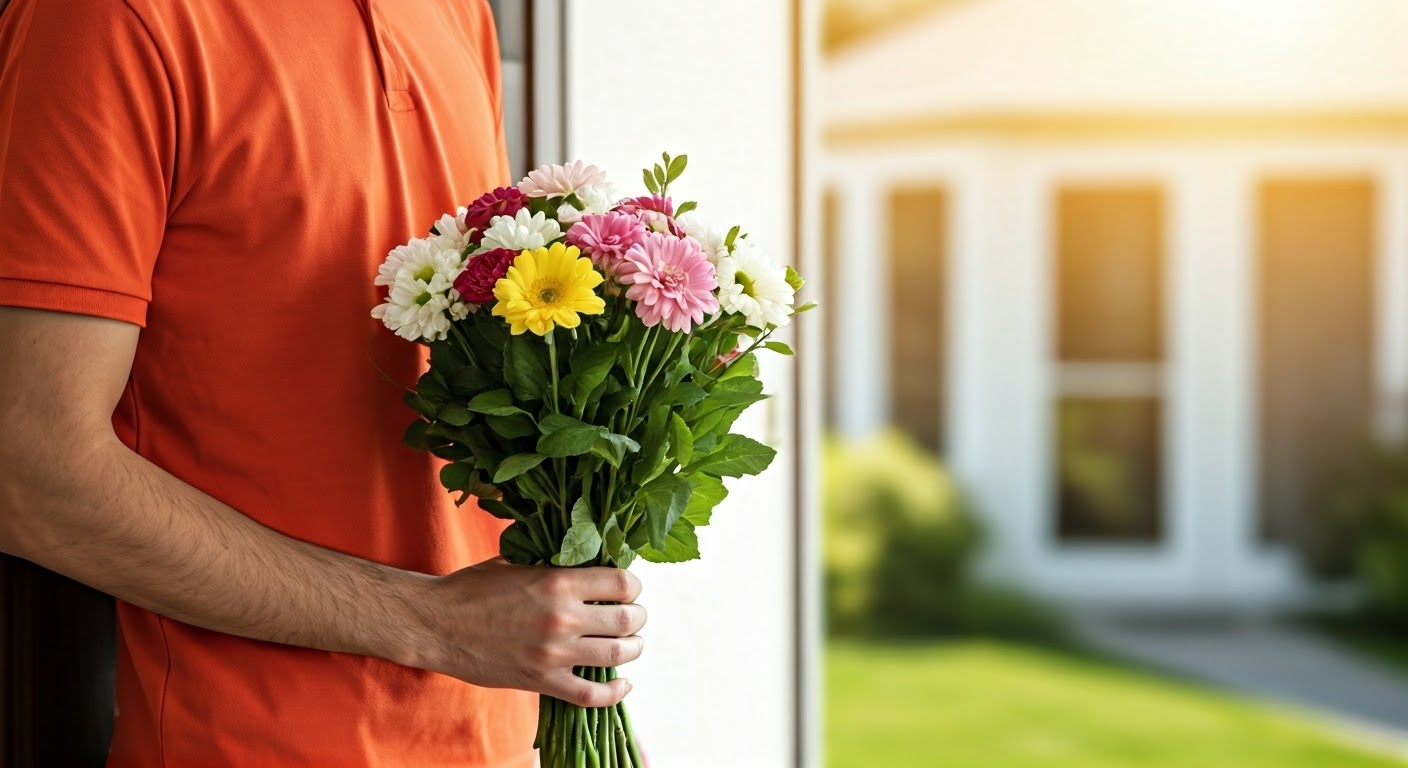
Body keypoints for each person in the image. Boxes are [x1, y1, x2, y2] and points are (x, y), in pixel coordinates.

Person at [0, 1, 645, 765]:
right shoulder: (105, 19)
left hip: (502, 738)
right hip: (248, 746)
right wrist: (434, 624)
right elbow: (30, 471)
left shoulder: (456, 9)